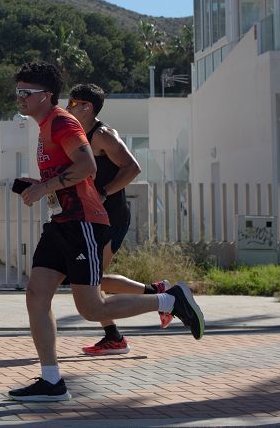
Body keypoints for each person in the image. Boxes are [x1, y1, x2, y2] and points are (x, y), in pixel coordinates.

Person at [7, 63, 203, 402]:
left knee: (92, 307)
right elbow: (71, 173)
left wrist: (46, 187)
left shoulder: (62, 122)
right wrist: (40, 186)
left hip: (83, 222)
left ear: (47, 96)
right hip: (61, 223)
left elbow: (88, 167)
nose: (20, 98)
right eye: (18, 92)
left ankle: (170, 299)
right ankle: (52, 381)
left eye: (27, 93)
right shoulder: (44, 127)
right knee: (36, 295)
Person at [66, 83, 172, 356]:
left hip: (111, 217)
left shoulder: (103, 135)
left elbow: (133, 167)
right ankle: (152, 294)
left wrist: (102, 192)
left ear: (88, 107)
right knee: (93, 281)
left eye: (73, 103)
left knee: (92, 282)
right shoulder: (79, 135)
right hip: (92, 218)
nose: (68, 108)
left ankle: (125, 327)